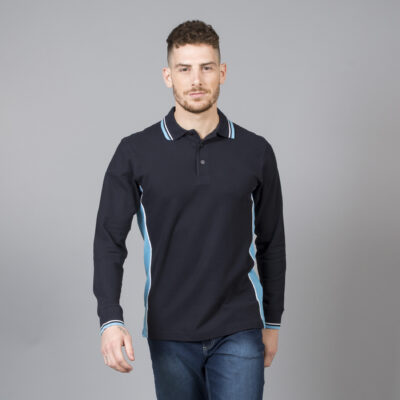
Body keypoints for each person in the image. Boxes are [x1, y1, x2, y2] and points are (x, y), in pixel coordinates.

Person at [93, 19, 286, 399]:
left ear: (222, 72)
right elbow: (108, 240)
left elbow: (272, 241)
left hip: (239, 325)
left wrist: (273, 322)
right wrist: (110, 319)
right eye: (184, 69)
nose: (196, 80)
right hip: (169, 330)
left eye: (206, 67)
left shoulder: (255, 151)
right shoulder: (135, 152)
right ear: (168, 76)